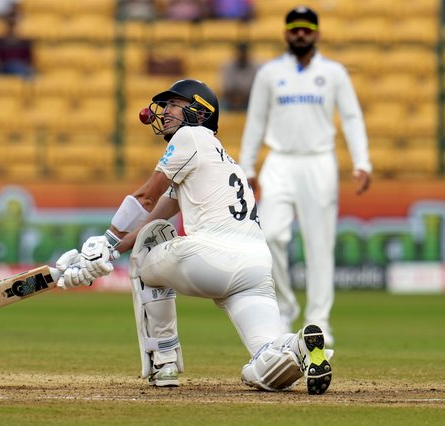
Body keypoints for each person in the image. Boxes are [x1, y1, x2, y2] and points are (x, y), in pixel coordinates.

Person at [54, 79, 333, 395]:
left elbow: (146, 196)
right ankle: (300, 345)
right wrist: (112, 248)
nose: (166, 111)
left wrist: (104, 242)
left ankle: (164, 361)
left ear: (200, 114)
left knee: (149, 248)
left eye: (175, 104)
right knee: (264, 361)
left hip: (211, 257)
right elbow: (159, 210)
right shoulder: (222, 159)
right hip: (256, 266)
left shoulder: (190, 137)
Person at [238, 6, 372, 345]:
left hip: (319, 160)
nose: (300, 34)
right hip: (280, 160)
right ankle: (284, 308)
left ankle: (319, 321)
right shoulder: (269, 74)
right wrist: (248, 167)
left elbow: (352, 117)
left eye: (306, 29)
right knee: (270, 237)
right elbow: (255, 121)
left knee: (319, 244)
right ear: (285, 33)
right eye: (295, 29)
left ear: (317, 33)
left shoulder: (333, 73)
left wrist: (362, 161)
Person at [220, 42, 259, 111]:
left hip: (249, 100)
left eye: (244, 53)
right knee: (219, 107)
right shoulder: (227, 66)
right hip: (230, 101)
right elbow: (224, 89)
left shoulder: (255, 67)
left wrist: (242, 98)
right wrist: (235, 99)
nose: (242, 55)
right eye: (240, 53)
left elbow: (257, 89)